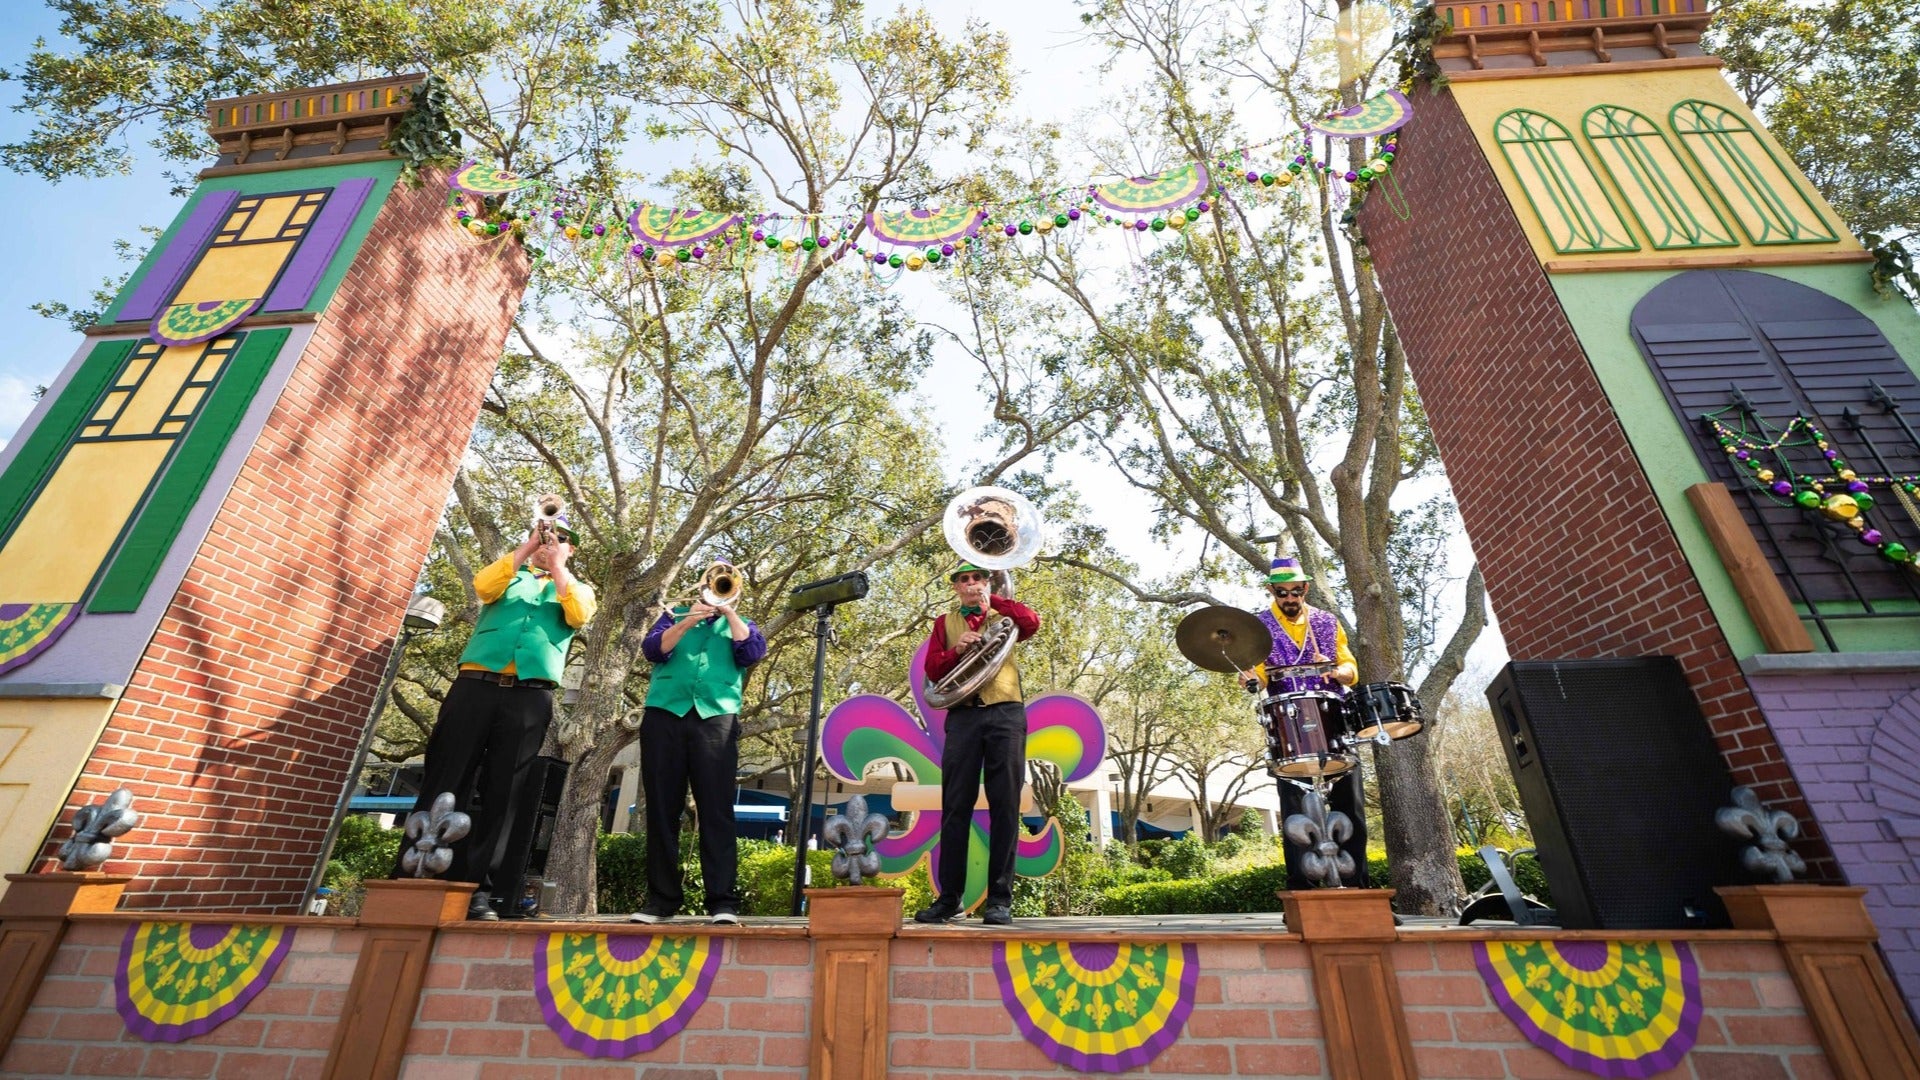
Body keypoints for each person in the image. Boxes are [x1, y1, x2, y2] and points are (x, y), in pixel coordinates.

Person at [401, 513, 595, 920]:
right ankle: (417, 874)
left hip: (529, 697)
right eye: (546, 536)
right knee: (446, 776)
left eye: (560, 539)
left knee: (504, 793)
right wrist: (527, 547)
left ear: (571, 548)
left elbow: (578, 614)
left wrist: (558, 565)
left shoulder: (576, 588)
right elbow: (483, 586)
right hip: (474, 685)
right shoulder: (510, 572)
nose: (550, 542)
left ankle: (477, 890)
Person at [629, 574, 766, 925]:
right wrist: (689, 619)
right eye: (713, 583)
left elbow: (751, 652)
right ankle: (660, 900)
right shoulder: (672, 616)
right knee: (661, 809)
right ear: (702, 586)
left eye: (724, 585)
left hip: (715, 719)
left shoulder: (743, 624)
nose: (716, 590)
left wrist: (729, 613)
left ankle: (723, 901)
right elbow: (652, 650)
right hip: (664, 715)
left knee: (717, 810)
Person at [913, 562, 1041, 926]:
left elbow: (1032, 622)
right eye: (964, 580)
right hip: (964, 716)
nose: (971, 584)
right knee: (955, 807)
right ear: (955, 587)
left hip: (1006, 714)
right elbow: (934, 671)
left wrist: (995, 599)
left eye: (977, 578)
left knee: (1005, 805)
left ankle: (1000, 900)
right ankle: (949, 899)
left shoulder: (1007, 615)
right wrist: (958, 650)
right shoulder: (944, 623)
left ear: (986, 581)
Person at [1238, 556, 1368, 891]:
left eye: (1296, 591)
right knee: (1293, 809)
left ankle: (1360, 888)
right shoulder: (1259, 626)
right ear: (1272, 591)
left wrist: (1337, 671)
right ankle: (1301, 890)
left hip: (1334, 722)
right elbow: (1260, 677)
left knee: (1350, 805)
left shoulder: (1327, 621)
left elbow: (1350, 669)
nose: (1290, 598)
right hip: (1288, 728)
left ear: (1306, 588)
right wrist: (1251, 680)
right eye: (1283, 592)